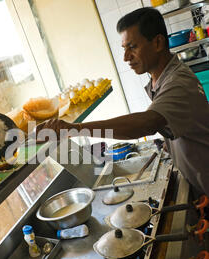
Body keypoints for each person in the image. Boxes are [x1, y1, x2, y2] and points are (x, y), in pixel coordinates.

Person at [35, 7, 209, 198]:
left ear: (158, 42)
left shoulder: (178, 83)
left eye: (132, 47)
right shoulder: (160, 79)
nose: (126, 57)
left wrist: (74, 129)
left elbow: (147, 124)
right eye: (124, 49)